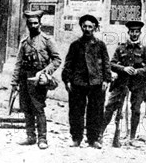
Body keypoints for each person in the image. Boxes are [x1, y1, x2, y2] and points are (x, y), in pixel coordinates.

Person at [11, 10, 62, 150]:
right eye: (30, 24)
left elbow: (57, 59)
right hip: (24, 77)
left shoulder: (47, 40)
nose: (33, 26)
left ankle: (42, 138)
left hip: (38, 79)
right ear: (27, 25)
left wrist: (45, 73)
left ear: (40, 24)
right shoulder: (24, 42)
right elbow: (18, 63)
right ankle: (30, 136)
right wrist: (14, 82)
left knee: (38, 108)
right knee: (26, 108)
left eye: (35, 23)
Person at [62, 14, 112, 149]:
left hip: (96, 83)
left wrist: (107, 80)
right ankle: (76, 138)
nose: (87, 29)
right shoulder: (75, 45)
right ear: (81, 27)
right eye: (85, 26)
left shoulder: (100, 45)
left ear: (95, 28)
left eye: (90, 26)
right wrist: (67, 80)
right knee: (76, 112)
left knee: (96, 112)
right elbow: (68, 64)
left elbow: (106, 64)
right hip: (78, 83)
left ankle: (93, 139)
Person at [102, 20, 146, 146]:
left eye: (137, 32)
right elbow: (111, 64)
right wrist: (123, 69)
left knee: (136, 109)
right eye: (132, 31)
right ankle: (99, 133)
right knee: (111, 106)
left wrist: (138, 71)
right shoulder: (121, 47)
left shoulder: (144, 49)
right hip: (122, 81)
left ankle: (132, 138)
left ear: (140, 33)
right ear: (128, 32)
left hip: (138, 83)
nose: (134, 34)